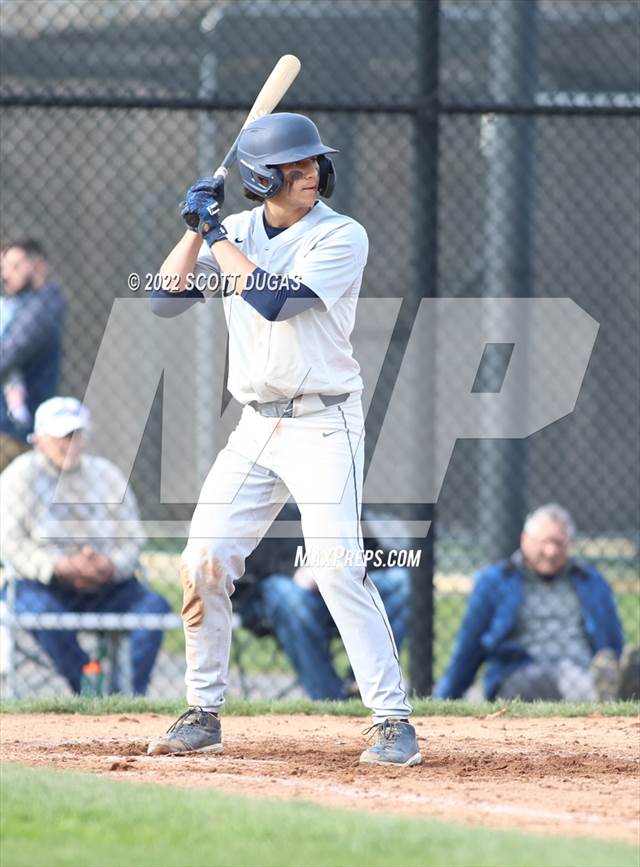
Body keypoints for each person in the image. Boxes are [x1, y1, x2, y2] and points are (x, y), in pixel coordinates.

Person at [147, 113, 420, 766]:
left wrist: (216, 233)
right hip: (255, 426)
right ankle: (203, 711)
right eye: (294, 166)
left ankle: (393, 720)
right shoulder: (234, 233)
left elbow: (275, 301)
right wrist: (193, 232)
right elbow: (163, 298)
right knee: (203, 558)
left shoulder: (341, 235)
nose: (310, 174)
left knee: (333, 565)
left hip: (325, 423)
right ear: (261, 178)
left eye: (313, 162)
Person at [0, 396, 170, 694]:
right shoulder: (19, 476)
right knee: (37, 608)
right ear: (39, 439)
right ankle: (90, 690)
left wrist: (111, 565)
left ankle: (125, 697)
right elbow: (9, 542)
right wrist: (57, 566)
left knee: (154, 607)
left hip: (105, 585)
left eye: (78, 434)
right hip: (41, 585)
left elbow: (132, 537)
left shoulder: (106, 475)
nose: (72, 443)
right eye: (63, 435)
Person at [434, 504, 637, 702]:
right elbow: (468, 647)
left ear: (569, 545)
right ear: (525, 540)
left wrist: (617, 667)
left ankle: (612, 690)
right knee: (555, 678)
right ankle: (608, 694)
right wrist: (443, 698)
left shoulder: (591, 582)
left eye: (559, 543)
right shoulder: (495, 582)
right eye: (545, 542)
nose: (551, 552)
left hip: (583, 667)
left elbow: (612, 644)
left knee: (583, 674)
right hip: (520, 672)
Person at [237, 504, 410, 700]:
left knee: (402, 582)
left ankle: (364, 684)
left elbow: (373, 554)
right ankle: (330, 699)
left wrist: (341, 568)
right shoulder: (268, 496)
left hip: (342, 591)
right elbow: (248, 564)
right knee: (286, 593)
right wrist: (295, 572)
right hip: (283, 595)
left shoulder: (340, 494)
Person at [0, 239, 64, 471]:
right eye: (4, 268)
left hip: (16, 431)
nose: (7, 275)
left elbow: (9, 354)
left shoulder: (42, 306)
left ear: (38, 267)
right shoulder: (14, 305)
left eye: (15, 266)